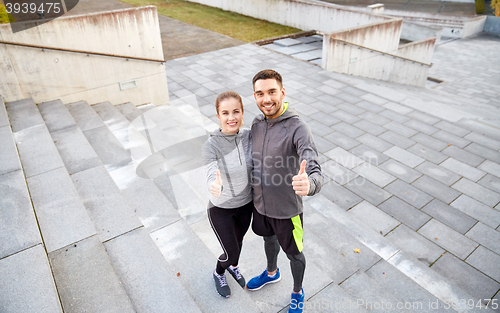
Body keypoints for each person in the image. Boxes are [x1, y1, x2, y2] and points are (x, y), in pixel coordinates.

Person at [246, 69, 323, 313]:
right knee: (268, 240)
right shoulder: (257, 123)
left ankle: (298, 291)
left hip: (287, 209)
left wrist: (309, 184)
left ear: (282, 92)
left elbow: (314, 167)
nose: (266, 99)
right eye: (260, 93)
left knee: (295, 254)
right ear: (255, 96)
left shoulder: (298, 128)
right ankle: (271, 273)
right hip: (260, 205)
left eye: (271, 92)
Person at [201, 91, 254, 298]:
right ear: (218, 116)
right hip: (220, 209)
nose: (231, 117)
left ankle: (233, 266)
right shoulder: (211, 145)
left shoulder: (250, 136)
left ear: (242, 113)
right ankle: (219, 272)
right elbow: (209, 172)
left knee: (238, 242)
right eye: (225, 113)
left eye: (236, 112)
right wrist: (214, 184)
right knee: (230, 250)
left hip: (245, 205)